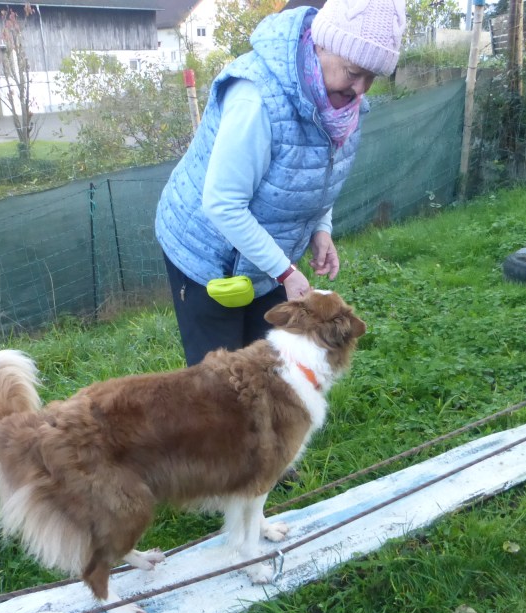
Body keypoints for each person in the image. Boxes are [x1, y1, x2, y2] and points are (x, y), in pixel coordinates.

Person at [155, 0, 406, 366]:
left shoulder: (341, 106)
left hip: (266, 258)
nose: (360, 89)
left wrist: (320, 228)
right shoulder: (257, 99)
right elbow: (223, 204)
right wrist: (285, 270)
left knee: (266, 367)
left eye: (372, 77)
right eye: (353, 72)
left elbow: (316, 173)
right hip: (206, 250)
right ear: (321, 44)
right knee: (217, 380)